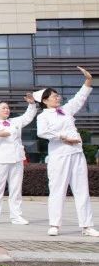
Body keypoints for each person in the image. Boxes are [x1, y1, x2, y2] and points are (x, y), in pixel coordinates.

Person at [36, 66, 98, 237]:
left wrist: (88, 80)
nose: (58, 98)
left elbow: (79, 98)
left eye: (58, 95)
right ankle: (54, 224)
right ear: (45, 100)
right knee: (57, 190)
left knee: (82, 190)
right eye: (54, 96)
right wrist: (63, 137)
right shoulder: (43, 116)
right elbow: (42, 132)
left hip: (77, 153)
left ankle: (87, 226)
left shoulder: (66, 110)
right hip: (59, 156)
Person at [0, 96, 36, 226]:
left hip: (17, 159)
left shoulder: (15, 121)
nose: (7, 110)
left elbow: (28, 117)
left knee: (16, 189)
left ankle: (16, 216)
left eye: (8, 108)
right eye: (3, 108)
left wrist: (32, 104)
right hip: (0, 159)